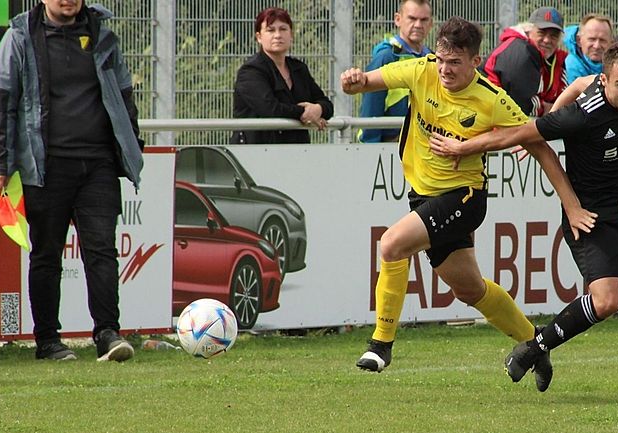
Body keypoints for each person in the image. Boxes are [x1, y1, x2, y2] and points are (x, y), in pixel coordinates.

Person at [429, 42, 618, 400]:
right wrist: (463, 148)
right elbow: (518, 132)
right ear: (607, 80)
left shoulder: (613, 91)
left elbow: (582, 81)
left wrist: (565, 99)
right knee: (607, 301)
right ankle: (534, 347)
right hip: (590, 219)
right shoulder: (582, 116)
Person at [339, 17, 571, 374]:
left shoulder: (491, 99)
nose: (445, 70)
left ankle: (380, 345)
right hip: (424, 196)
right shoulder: (422, 70)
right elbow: (367, 84)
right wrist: (353, 82)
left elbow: (537, 145)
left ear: (475, 62)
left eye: (455, 63)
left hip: (463, 197)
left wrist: (570, 204)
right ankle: (533, 344)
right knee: (470, 289)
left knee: (391, 245)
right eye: (441, 60)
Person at [0, 0, 143, 362]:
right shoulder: (20, 36)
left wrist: (130, 145)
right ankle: (48, 341)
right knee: (46, 255)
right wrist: (0, 162)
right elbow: (1, 101)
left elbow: (123, 96)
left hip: (99, 164)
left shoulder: (104, 35)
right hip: (45, 166)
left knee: (102, 251)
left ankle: (107, 333)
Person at [231, 7, 334, 144]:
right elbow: (271, 109)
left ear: (291, 35)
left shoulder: (298, 68)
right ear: (259, 37)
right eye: (270, 30)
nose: (278, 35)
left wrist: (318, 109)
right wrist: (305, 112)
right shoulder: (251, 71)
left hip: (296, 150)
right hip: (256, 151)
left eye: (283, 29)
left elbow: (326, 104)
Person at [358, 0, 434, 143]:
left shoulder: (433, 59)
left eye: (424, 20)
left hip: (425, 144)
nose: (418, 25)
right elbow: (371, 107)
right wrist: (370, 148)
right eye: (412, 18)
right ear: (398, 19)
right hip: (392, 143)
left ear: (431, 24)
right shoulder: (386, 56)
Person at [482, 6, 568, 116]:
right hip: (492, 117)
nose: (547, 40)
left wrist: (556, 108)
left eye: (553, 36)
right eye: (541, 33)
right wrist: (546, 109)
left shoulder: (555, 57)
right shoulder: (519, 51)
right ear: (528, 30)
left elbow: (562, 95)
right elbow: (520, 104)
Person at [563, 14, 613, 83]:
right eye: (592, 39)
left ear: (611, 42)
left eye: (602, 40)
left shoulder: (616, 64)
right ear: (579, 41)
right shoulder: (570, 67)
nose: (597, 46)